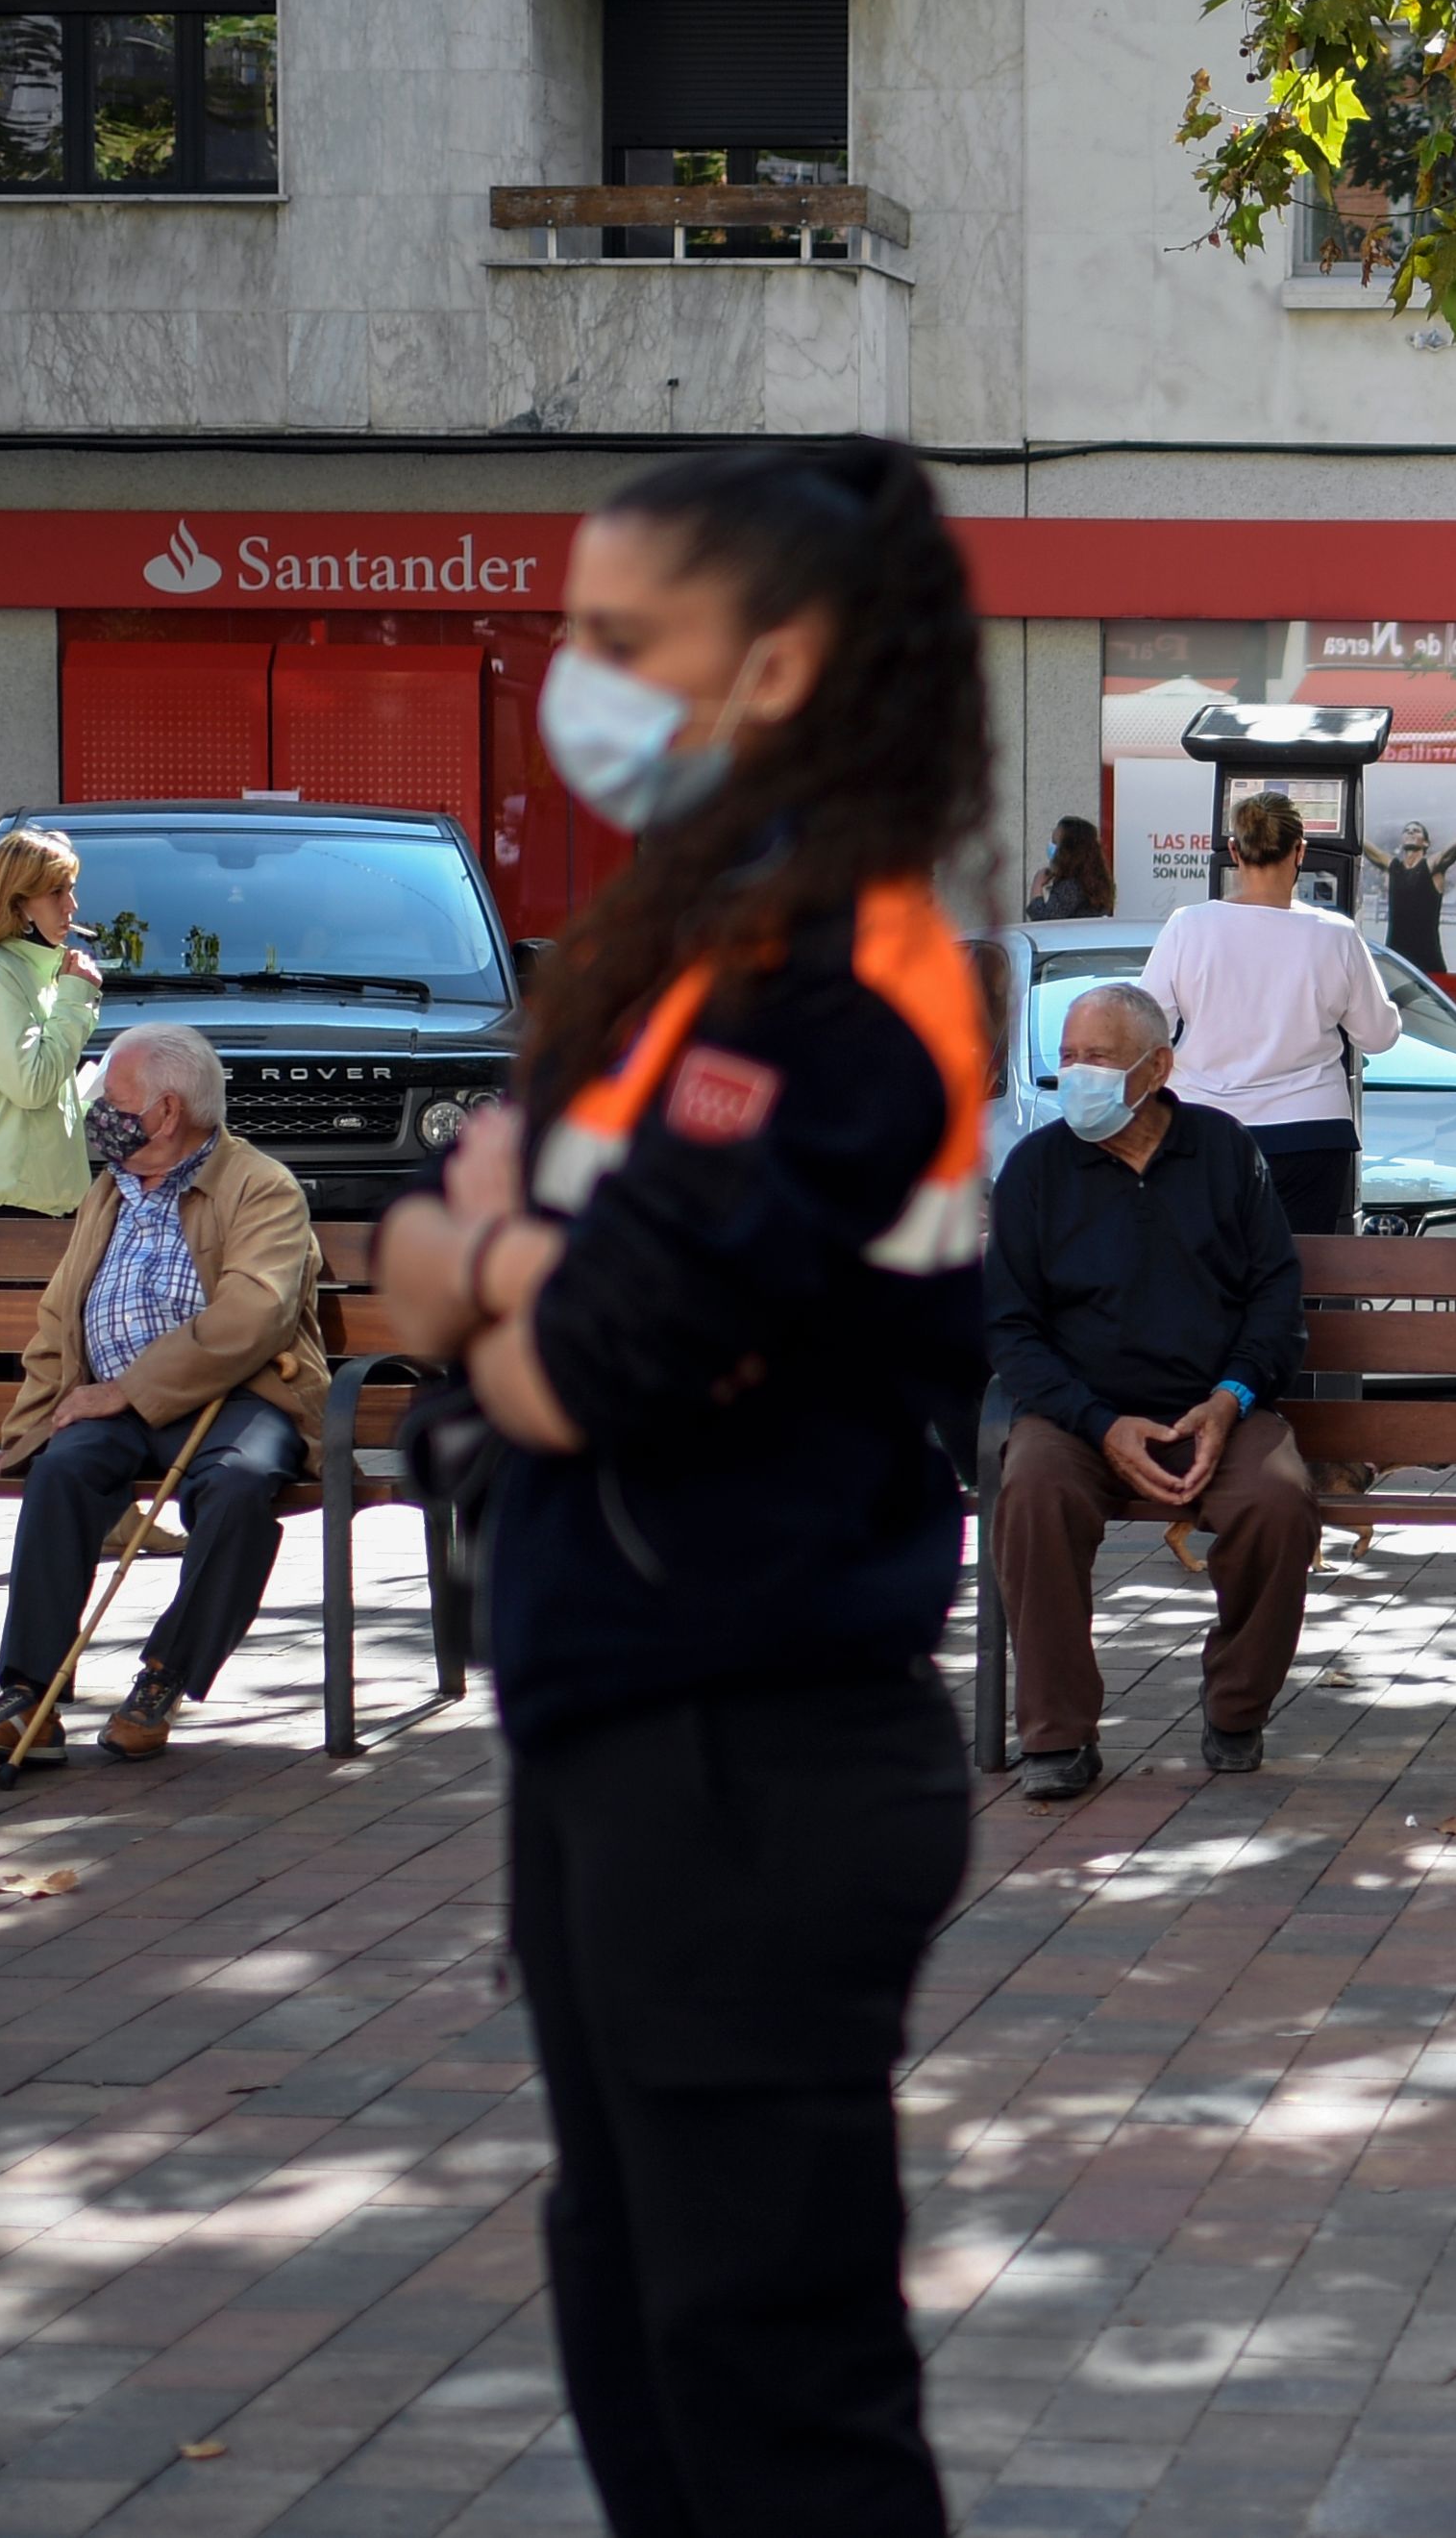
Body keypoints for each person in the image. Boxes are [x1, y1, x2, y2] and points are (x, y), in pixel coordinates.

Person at [376, 439, 989, 2535]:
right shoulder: (690, 951)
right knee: (640, 2336)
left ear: (783, 664)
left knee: (770, 2391)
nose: (580, 676)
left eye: (628, 639)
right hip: (621, 1723)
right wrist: (505, 1277)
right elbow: (459, 1286)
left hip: (753, 1753)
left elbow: (585, 1354)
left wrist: (488, 1267)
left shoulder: (845, 976)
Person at [0, 1022, 324, 1767]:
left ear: (167, 1111)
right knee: (62, 1470)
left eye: (113, 1101)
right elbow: (60, 1318)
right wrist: (26, 1434)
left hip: (234, 1397)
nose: (98, 1115)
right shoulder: (109, 1190)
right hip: (111, 1399)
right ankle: (28, 1697)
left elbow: (255, 1314)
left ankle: (164, 1677)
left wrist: (131, 1389)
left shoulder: (260, 1185)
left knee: (241, 1487)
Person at [987, 982, 1316, 1799]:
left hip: (1216, 1406)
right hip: (1078, 1415)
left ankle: (1236, 1707)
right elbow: (1010, 1329)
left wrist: (1230, 1399)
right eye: (1067, 1057)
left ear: (1158, 1066)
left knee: (1278, 1503)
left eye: (1097, 1058)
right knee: (1031, 1491)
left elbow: (1275, 1296)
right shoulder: (1035, 1169)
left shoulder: (1223, 1151)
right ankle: (1058, 1734)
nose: (1076, 1075)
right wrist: (1097, 1422)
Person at [1141, 789, 1403, 1242]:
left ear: (1234, 851)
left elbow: (1146, 1027)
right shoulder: (1336, 935)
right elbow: (1379, 1035)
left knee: (1201, 1267)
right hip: (1311, 1132)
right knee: (1296, 1270)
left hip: (1204, 1125)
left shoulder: (1188, 926)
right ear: (1300, 851)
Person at [0, 826, 104, 1219]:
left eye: (71, 889)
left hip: (37, 1200)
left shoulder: (34, 972)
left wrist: (85, 1095)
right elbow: (31, 1086)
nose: (72, 906)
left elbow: (30, 1100)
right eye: (56, 892)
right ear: (18, 903)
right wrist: (76, 999)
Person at [1379, 794, 1456, 974]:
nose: (1411, 832)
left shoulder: (1433, 866)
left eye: (1416, 831)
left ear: (1426, 842)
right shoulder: (1392, 867)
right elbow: (1361, 843)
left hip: (1428, 963)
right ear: (1402, 840)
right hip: (1396, 964)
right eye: (1407, 830)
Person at [1025, 813, 1114, 920]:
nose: (1051, 846)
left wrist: (1037, 884)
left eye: (1055, 842)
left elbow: (1045, 920)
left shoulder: (1072, 886)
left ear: (1069, 850)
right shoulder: (1092, 881)